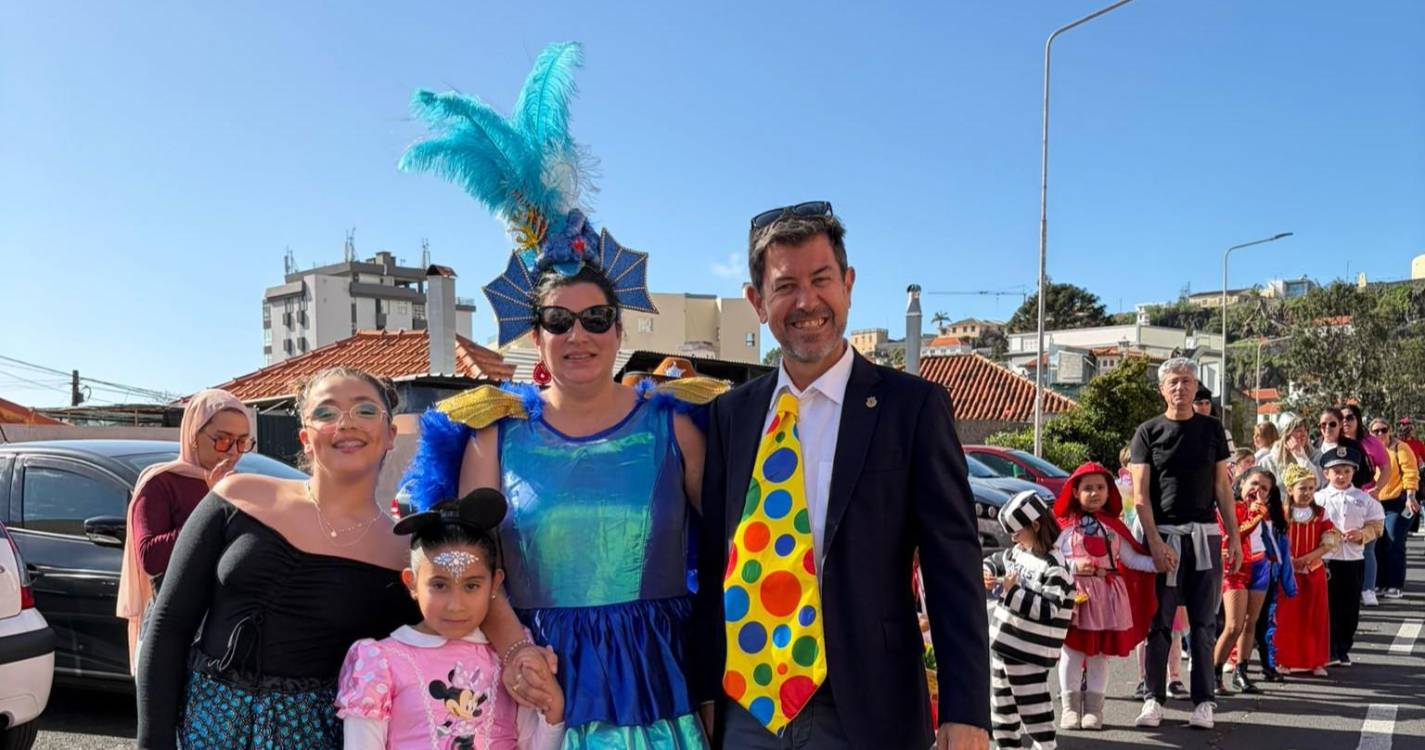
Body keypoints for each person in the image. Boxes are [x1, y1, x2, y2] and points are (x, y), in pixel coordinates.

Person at [397, 42, 723, 749]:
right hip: (529, 681)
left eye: (596, 318)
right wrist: (516, 651)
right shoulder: (492, 433)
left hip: (652, 679)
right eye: (558, 321)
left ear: (619, 326)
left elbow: (736, 545)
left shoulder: (676, 426)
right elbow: (467, 569)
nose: (580, 335)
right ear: (533, 332)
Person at [694, 204, 989, 750]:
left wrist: (966, 708)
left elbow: (954, 564)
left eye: (821, 279)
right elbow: (716, 560)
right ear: (757, 302)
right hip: (746, 708)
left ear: (848, 285)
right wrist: (707, 689)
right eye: (785, 286)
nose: (807, 302)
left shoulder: (912, 408)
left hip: (865, 708)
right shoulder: (730, 415)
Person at [138, 368, 420, 749]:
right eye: (326, 413)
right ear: (305, 437)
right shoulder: (239, 497)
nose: (345, 423)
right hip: (206, 730)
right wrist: (153, 742)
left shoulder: (403, 553)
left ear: (389, 434)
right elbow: (169, 624)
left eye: (365, 411)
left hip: (319, 739)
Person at [335, 489, 566, 750]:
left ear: (494, 584)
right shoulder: (380, 662)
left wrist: (553, 707)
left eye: (471, 586)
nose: (456, 605)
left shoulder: (509, 654)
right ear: (412, 583)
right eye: (439, 585)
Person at [1130, 358, 1241, 731]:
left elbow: (1223, 489)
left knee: (1204, 623)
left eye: (1187, 381)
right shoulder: (1147, 432)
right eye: (1174, 382)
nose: (1181, 388)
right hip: (1165, 536)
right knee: (1159, 622)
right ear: (1162, 389)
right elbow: (1141, 497)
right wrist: (1156, 543)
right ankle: (1153, 699)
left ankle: (1204, 702)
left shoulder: (1212, 430)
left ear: (1197, 388)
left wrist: (1235, 538)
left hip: (1206, 536)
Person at [117, 388, 252, 673]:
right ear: (194, 435)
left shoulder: (241, 485)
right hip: (176, 624)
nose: (233, 452)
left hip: (225, 627)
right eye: (223, 440)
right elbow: (151, 557)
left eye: (242, 442)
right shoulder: (161, 483)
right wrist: (213, 503)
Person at [1052, 463, 1156, 732]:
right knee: (1072, 653)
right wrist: (1074, 567)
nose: (1095, 493)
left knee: (1100, 655)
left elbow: (1130, 559)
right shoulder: (1064, 527)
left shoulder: (1114, 527)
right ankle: (1070, 709)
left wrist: (1158, 564)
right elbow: (1050, 558)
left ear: (1109, 492)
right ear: (1075, 492)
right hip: (1073, 598)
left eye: (1100, 488)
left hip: (1107, 599)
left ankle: (1094, 712)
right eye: (1088, 488)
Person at [982, 492, 1073, 750]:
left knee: (1034, 712)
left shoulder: (1056, 566)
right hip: (1003, 646)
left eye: (1015, 531)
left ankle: (1045, 746)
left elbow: (1048, 609)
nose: (1012, 537)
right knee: (1001, 712)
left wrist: (1011, 592)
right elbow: (994, 560)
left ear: (1035, 525)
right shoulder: (1018, 552)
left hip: (1030, 653)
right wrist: (987, 572)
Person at [1316, 444, 1385, 666]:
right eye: (1336, 471)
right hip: (1326, 560)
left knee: (1349, 608)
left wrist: (1361, 534)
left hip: (1353, 559)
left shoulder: (1364, 499)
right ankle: (1330, 649)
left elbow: (1377, 526)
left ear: (1353, 473)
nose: (1341, 476)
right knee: (1327, 606)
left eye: (1346, 471)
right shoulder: (1319, 498)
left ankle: (1344, 646)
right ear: (1326, 473)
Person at [1212, 468, 1275, 695]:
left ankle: (1242, 672)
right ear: (1242, 483)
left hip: (1260, 567)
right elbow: (1235, 534)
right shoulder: (1231, 507)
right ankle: (1214, 673)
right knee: (1233, 625)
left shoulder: (1266, 510)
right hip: (1235, 568)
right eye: (1254, 484)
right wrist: (1256, 513)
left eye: (1264, 488)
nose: (1258, 490)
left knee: (1251, 623)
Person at [1274, 465, 1338, 676]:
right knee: (1286, 617)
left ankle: (1316, 661)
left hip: (1313, 570)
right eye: (1303, 488)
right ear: (1291, 489)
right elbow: (1273, 541)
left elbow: (1329, 542)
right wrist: (1288, 561)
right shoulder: (1281, 514)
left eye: (1311, 488)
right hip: (1287, 571)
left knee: (1314, 616)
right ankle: (1284, 659)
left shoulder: (1320, 513)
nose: (1308, 493)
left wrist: (1308, 559)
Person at [1368, 418, 1419, 600]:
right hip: (1375, 503)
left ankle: (1395, 584)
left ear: (1390, 430)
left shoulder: (1401, 448)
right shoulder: (1369, 450)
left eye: (1384, 429)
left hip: (1397, 503)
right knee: (1378, 545)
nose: (1380, 434)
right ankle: (1380, 582)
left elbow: (1411, 473)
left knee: (1393, 539)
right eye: (1376, 431)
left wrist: (1411, 497)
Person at [1341, 405, 1387, 606]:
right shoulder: (1336, 442)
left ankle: (1368, 589)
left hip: (1366, 497)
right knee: (1341, 545)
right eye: (1340, 418)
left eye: (1350, 417)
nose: (1345, 422)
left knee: (1368, 547)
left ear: (1358, 419)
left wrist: (1376, 489)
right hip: (1341, 499)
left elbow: (1386, 467)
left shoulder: (1371, 442)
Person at [1259, 416, 1323, 488]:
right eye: (1298, 430)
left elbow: (1316, 484)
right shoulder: (1268, 462)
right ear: (1286, 435)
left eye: (1306, 430)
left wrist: (1301, 457)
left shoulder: (1317, 456)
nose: (1303, 434)